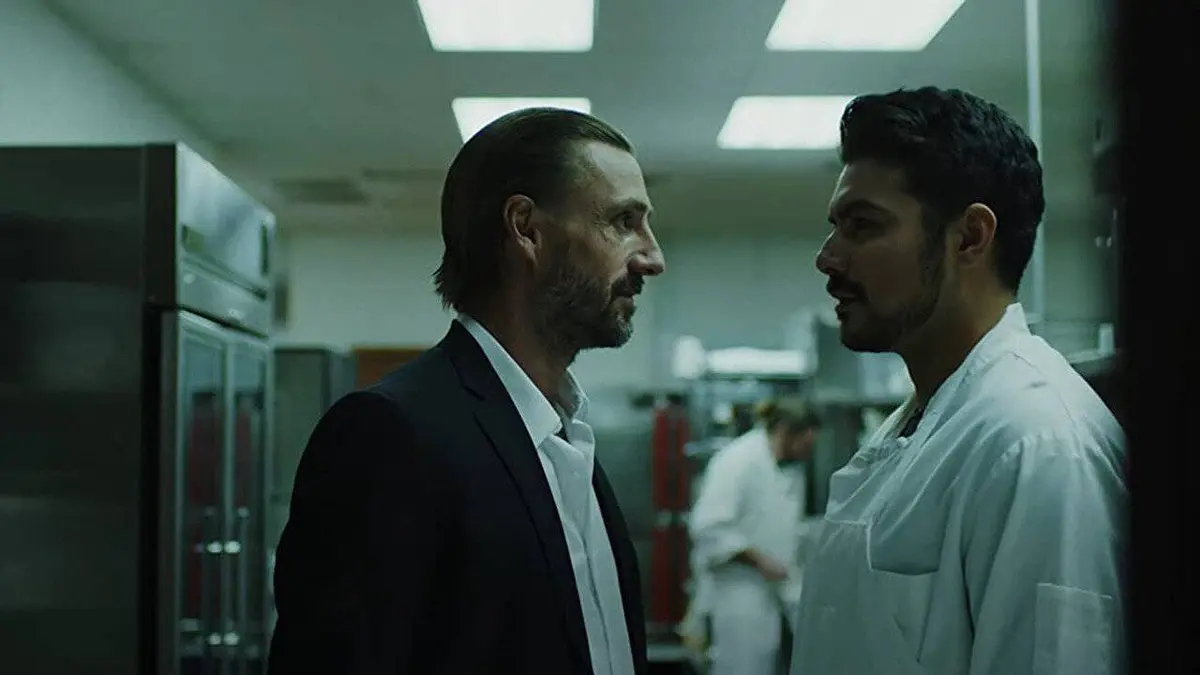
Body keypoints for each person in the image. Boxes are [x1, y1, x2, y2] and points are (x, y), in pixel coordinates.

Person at [267, 107, 666, 675]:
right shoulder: (390, 436)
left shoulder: (569, 440)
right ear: (526, 229)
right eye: (623, 221)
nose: (652, 257)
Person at [789, 86, 1127, 675]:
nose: (828, 257)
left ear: (969, 237)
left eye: (862, 226)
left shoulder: (1035, 443)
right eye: (835, 227)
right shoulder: (928, 423)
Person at [686, 397, 823, 675]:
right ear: (786, 432)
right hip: (737, 594)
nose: (808, 453)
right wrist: (760, 561)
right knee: (739, 667)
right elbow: (709, 528)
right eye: (806, 444)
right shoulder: (739, 461)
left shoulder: (788, 468)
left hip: (769, 593)